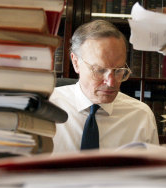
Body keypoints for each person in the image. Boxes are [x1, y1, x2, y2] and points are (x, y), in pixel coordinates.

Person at [49, 20, 159, 153]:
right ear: (76, 63)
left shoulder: (141, 116)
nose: (111, 83)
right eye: (100, 70)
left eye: (118, 71)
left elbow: (151, 172)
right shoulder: (45, 107)